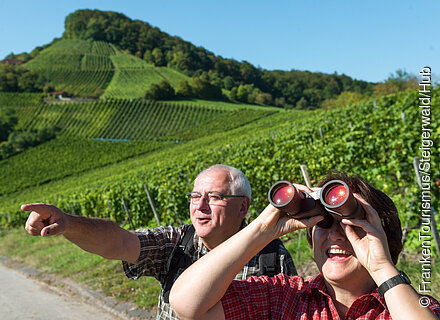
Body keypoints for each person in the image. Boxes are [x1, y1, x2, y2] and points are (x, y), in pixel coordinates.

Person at [22, 164, 297, 320]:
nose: (200, 206)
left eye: (213, 197)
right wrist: (69, 223)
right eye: (194, 196)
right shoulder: (177, 242)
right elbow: (119, 242)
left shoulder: (272, 257)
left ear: (243, 207)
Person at [170, 172, 440, 320]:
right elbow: (186, 304)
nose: (336, 235)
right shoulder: (282, 297)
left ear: (384, 238)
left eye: (352, 225)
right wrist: (263, 229)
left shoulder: (412, 309)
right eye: (324, 223)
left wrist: (382, 267)